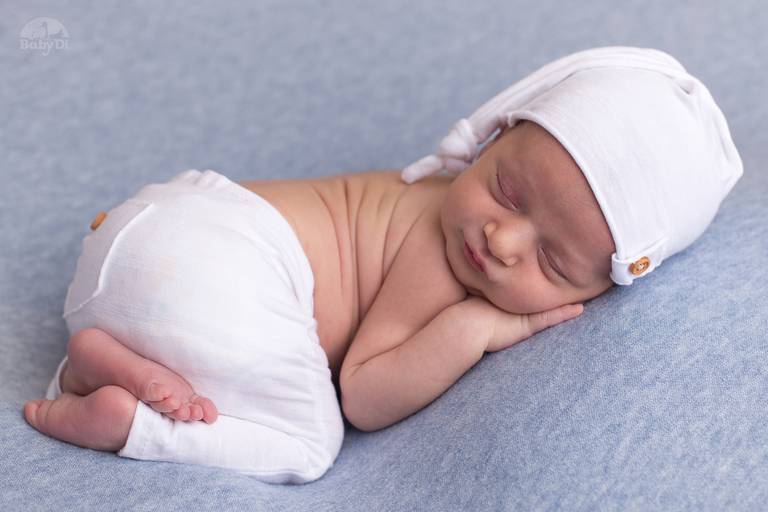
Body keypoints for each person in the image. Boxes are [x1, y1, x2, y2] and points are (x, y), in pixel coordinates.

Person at [22, 46, 742, 484]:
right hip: (223, 264)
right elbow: (363, 394)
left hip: (153, 232)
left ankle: (101, 359)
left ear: (604, 280)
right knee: (308, 444)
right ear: (491, 137)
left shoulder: (428, 196)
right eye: (506, 189)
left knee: (226, 356)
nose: (502, 241)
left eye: (551, 259)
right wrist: (473, 328)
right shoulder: (440, 251)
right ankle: (128, 425)